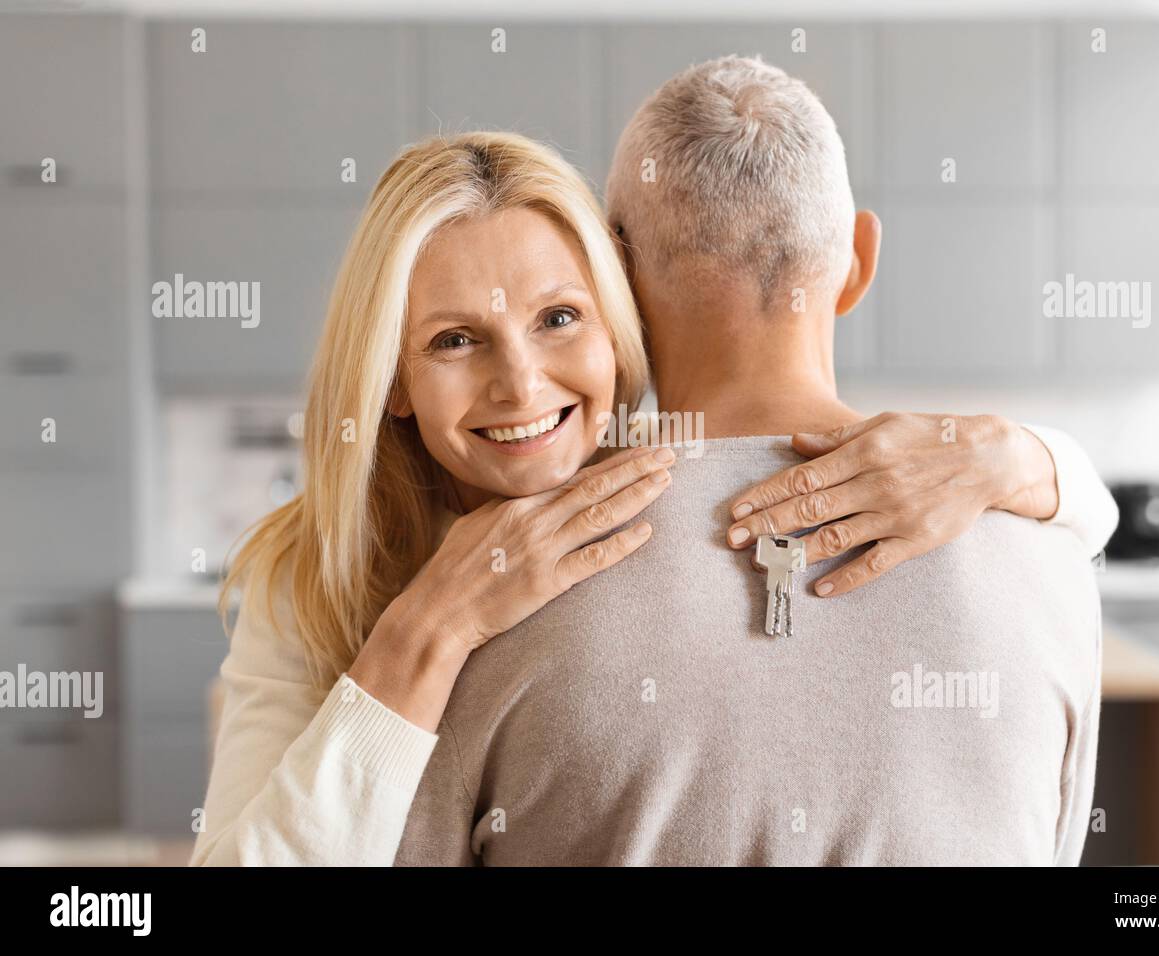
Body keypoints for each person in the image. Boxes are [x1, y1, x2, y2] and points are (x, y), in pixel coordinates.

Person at [193, 96, 1111, 866]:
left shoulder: (644, 486)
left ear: (620, 308)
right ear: (390, 380)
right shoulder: (306, 578)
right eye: (455, 339)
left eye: (559, 317)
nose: (522, 386)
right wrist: (430, 625)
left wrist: (1025, 458)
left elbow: (1088, 518)